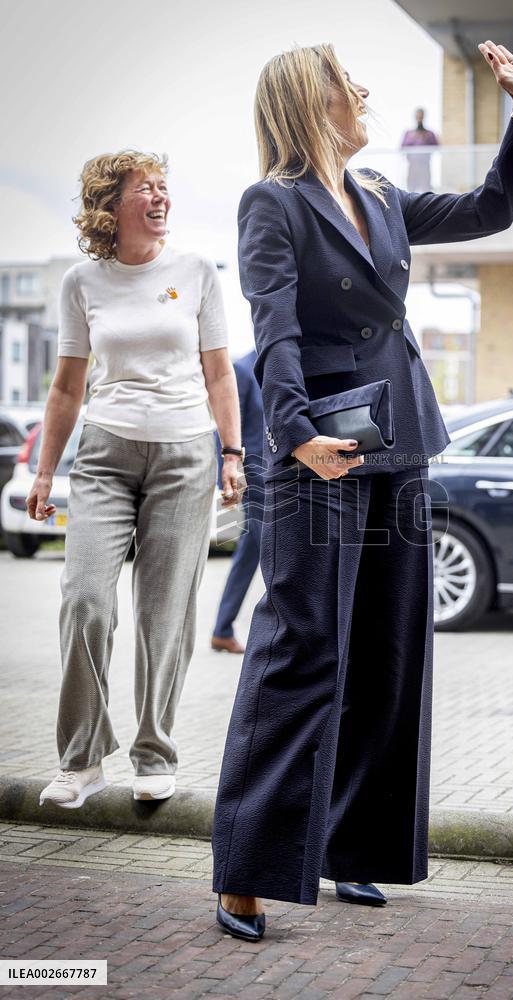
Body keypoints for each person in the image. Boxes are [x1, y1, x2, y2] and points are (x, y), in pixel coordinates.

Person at [211, 40, 513, 941]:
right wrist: (295, 437)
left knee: (387, 656)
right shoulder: (273, 202)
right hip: (319, 447)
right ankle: (245, 867)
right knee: (301, 652)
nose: (363, 91)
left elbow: (487, 209)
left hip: (398, 441)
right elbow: (274, 331)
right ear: (307, 99)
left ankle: (353, 850)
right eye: (346, 82)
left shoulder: (378, 195)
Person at [32, 149, 244, 809]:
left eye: (163, 187)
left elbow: (218, 373)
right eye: (144, 188)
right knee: (86, 602)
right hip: (104, 453)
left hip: (184, 456)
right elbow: (67, 388)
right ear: (111, 206)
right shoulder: (82, 282)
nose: (159, 198)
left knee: (164, 617)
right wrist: (44, 471)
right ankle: (82, 760)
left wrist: (232, 453)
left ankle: (155, 753)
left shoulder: (197, 271)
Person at [211, 348, 266, 654]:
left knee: (250, 553)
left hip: (278, 476)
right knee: (272, 550)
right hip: (254, 479)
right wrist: (230, 478)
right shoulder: (242, 370)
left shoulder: (284, 366)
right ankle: (285, 633)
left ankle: (221, 629)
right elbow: (226, 428)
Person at [400, 107, 439, 192]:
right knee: (411, 190)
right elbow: (402, 147)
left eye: (421, 116)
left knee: (426, 188)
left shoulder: (429, 134)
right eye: (418, 116)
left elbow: (436, 146)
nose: (419, 119)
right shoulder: (409, 134)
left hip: (424, 166)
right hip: (412, 166)